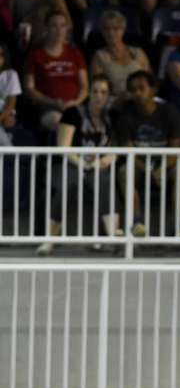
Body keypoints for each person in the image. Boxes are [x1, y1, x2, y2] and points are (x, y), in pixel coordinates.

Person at [36, 75, 123, 256]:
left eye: (104, 92)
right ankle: (49, 240)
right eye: (95, 91)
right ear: (88, 93)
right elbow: (63, 146)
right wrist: (82, 163)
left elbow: (117, 146)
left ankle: (114, 237)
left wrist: (108, 158)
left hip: (99, 165)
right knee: (68, 184)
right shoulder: (73, 113)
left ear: (109, 96)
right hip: (72, 162)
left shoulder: (113, 116)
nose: (99, 96)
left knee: (106, 181)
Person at [115, 70, 180, 238]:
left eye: (142, 88)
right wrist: (150, 171)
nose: (137, 93)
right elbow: (128, 152)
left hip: (166, 164)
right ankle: (137, 222)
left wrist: (161, 169)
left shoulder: (170, 112)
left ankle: (179, 224)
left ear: (153, 90)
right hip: (140, 165)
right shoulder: (125, 117)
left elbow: (176, 149)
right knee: (123, 171)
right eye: (133, 90)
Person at [23, 10, 88, 134]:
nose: (59, 30)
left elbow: (84, 86)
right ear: (46, 28)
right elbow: (29, 88)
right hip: (47, 107)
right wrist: (52, 102)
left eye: (62, 25)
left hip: (74, 105)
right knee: (62, 123)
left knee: (85, 121)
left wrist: (75, 102)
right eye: (54, 25)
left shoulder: (75, 53)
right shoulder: (35, 55)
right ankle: (68, 154)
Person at [90, 9, 151, 97]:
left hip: (139, 98)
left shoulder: (138, 52)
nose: (111, 33)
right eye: (107, 29)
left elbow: (149, 80)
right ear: (102, 32)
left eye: (115, 29)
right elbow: (99, 89)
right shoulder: (99, 57)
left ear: (123, 30)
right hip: (114, 101)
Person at [0, 41, 21, 142]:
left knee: (9, 120)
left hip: (4, 113)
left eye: (0, 55)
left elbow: (10, 105)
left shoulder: (11, 75)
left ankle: (8, 149)